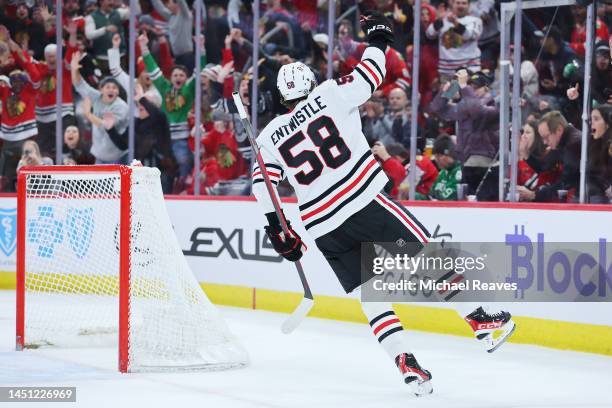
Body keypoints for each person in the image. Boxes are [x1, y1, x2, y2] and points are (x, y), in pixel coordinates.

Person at [251, 12, 515, 397]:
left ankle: (406, 364)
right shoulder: (328, 93)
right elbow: (370, 75)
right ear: (309, 84)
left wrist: (277, 227)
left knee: (371, 294)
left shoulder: (270, 135)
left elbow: (264, 186)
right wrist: (377, 39)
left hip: (323, 227)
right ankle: (480, 321)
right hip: (362, 201)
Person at [517, 111, 581, 202]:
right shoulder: (562, 141)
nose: (544, 142)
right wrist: (525, 153)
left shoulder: (573, 144)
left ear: (559, 130)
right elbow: (545, 166)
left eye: (546, 137)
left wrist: (534, 195)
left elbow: (565, 182)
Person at [425, 0, 483, 79]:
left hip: (469, 70)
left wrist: (455, 23)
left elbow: (469, 35)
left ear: (469, 5)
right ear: (452, 4)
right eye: (458, 3)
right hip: (447, 71)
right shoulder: (443, 19)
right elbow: (429, 34)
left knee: (469, 91)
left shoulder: (475, 21)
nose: (460, 6)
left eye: (464, 3)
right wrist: (439, 20)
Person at [586, 105, 612, 202]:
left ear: (607, 123)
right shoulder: (595, 144)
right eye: (591, 119)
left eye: (596, 119)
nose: (591, 123)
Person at [429, 135, 462, 200]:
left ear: (450, 154)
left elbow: (447, 197)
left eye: (440, 156)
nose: (437, 160)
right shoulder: (442, 173)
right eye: (435, 156)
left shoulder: (459, 172)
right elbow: (430, 194)